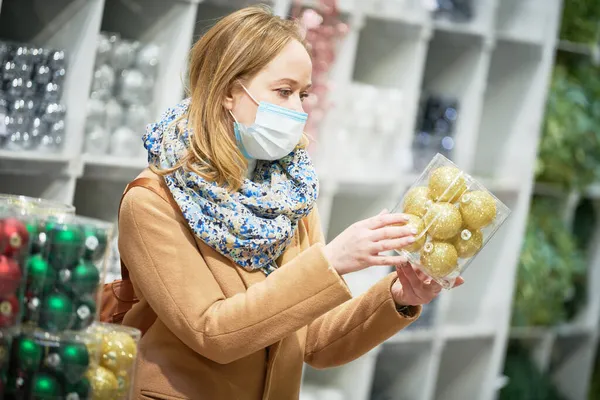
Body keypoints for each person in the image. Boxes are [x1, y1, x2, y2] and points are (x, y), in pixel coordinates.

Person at [117, 5, 462, 400]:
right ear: (229, 90)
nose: (299, 110)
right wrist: (330, 262)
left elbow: (312, 339)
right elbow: (211, 332)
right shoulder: (153, 202)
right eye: (283, 91)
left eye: (304, 94)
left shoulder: (289, 195)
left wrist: (399, 298)